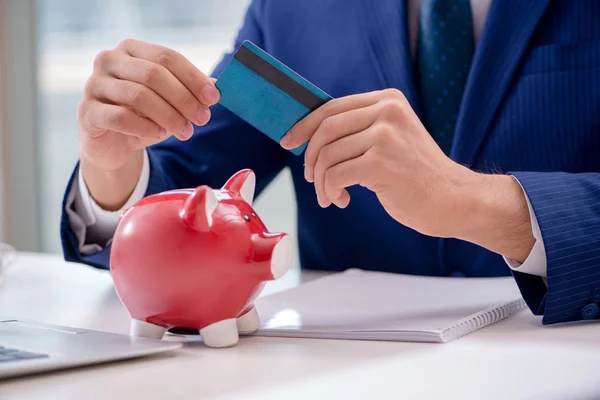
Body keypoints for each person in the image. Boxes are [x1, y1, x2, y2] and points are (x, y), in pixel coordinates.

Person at [60, 0, 600, 326]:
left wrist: (478, 203)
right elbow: (183, 185)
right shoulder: (293, 8)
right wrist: (110, 167)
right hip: (342, 373)